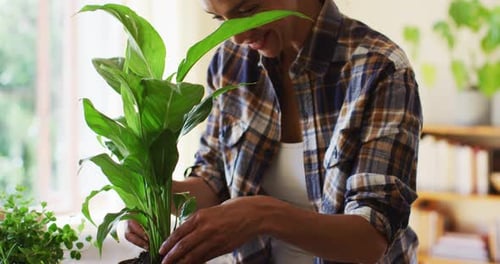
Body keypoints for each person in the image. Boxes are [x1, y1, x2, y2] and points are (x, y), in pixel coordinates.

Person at [126, 0, 423, 263]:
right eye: (220, 20)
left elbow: (370, 238)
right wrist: (154, 195)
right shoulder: (230, 63)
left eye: (248, 10)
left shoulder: (379, 69)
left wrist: (261, 216)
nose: (237, 36)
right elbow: (212, 182)